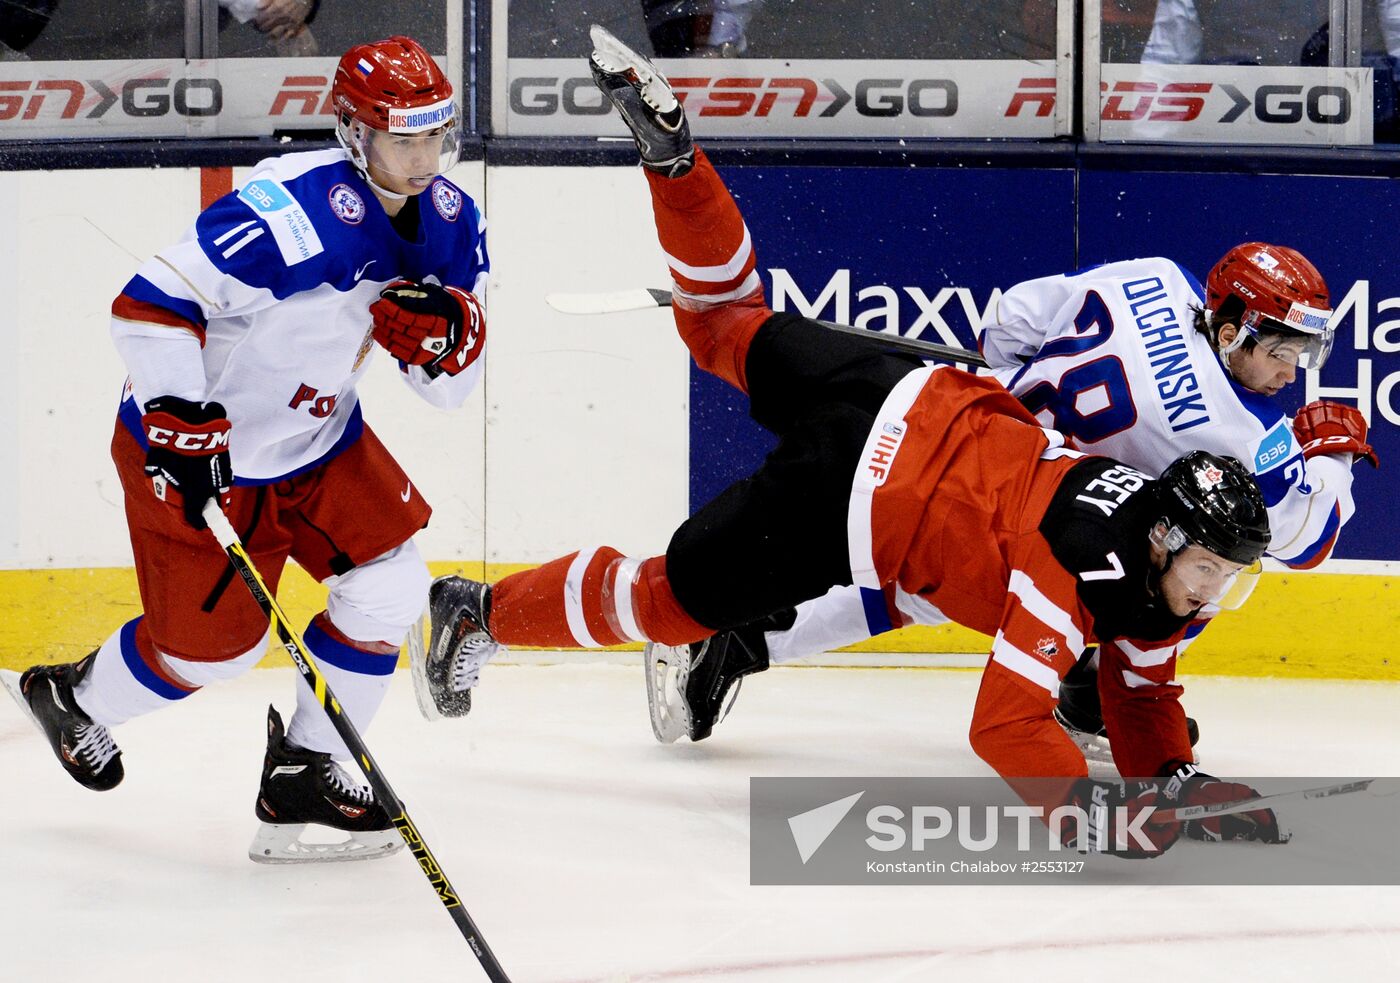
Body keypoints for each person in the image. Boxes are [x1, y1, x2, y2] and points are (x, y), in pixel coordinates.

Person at [411, 25, 1285, 857]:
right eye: (1209, 570)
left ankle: (679, 165)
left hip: (902, 385)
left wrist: (1175, 778)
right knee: (666, 601)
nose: (1211, 592)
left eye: (1222, 576)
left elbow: (1144, 682)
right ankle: (475, 612)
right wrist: (1095, 822)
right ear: (1165, 540)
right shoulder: (1075, 575)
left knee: (724, 319)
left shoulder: (1154, 523)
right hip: (853, 493)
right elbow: (1006, 725)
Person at [0, 36, 488, 864]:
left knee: (391, 585)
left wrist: (454, 340)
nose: (423, 159)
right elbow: (146, 306)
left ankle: (303, 769)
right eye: (402, 138)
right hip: (199, 452)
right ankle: (72, 695)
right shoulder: (288, 213)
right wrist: (180, 419)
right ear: (353, 131)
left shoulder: (450, 220)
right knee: (211, 654)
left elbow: (446, 393)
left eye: (435, 137)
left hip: (322, 442)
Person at [655, 237, 1378, 763]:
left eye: (1305, 355)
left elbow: (1009, 321)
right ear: (1230, 330)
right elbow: (1305, 540)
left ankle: (740, 634)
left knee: (912, 581)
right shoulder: (1239, 440)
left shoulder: (1152, 276)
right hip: (1052, 518)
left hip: (984, 445)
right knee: (1201, 572)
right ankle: (1095, 688)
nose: (1293, 371)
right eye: (1283, 351)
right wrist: (1335, 451)